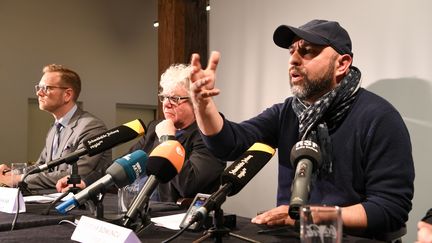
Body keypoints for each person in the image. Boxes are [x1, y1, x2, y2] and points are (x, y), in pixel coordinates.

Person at [188, 19, 414, 238]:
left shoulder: (379, 117)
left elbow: (390, 208)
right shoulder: (287, 112)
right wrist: (203, 106)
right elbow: (229, 145)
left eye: (307, 51)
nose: (293, 60)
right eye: (291, 52)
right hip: (294, 236)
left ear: (342, 64)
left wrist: (308, 216)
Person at [57, 63, 226, 203]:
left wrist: (168, 140)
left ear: (196, 103)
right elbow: (124, 164)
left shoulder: (210, 135)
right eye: (165, 97)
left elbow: (189, 185)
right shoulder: (156, 127)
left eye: (175, 99)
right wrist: (86, 181)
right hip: (135, 207)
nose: (166, 104)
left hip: (169, 216)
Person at [0, 64, 112, 190]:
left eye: (46, 88)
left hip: (85, 207)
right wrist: (11, 172)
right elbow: (42, 166)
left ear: (67, 95)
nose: (39, 93)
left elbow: (76, 175)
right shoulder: (55, 128)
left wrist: (19, 179)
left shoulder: (92, 127)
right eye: (39, 87)